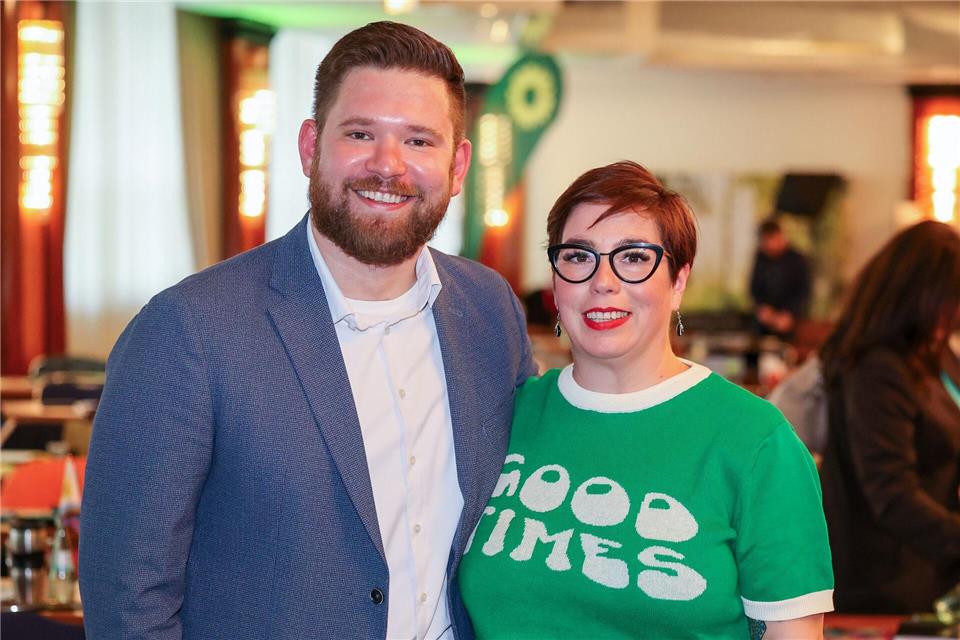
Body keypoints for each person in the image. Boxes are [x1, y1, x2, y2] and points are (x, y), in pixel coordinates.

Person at [79, 22, 536, 640]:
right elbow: (128, 599)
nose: (388, 165)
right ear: (309, 146)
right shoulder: (189, 329)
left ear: (457, 166)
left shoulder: (491, 311)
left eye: (419, 141)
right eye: (360, 133)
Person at [457, 161, 834, 638]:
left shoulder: (757, 441)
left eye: (634, 257)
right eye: (578, 256)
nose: (603, 281)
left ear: (677, 282)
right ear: (555, 281)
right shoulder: (508, 414)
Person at [819, 220, 960, 614]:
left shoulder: (933, 355)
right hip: (881, 580)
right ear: (920, 295)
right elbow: (891, 493)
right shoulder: (876, 368)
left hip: (925, 571)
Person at [749, 218, 811, 339]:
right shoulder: (760, 258)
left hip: (790, 324)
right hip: (763, 326)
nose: (769, 245)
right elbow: (754, 288)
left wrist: (790, 315)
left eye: (771, 239)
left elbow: (804, 292)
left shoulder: (798, 259)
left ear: (780, 235)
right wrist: (762, 308)